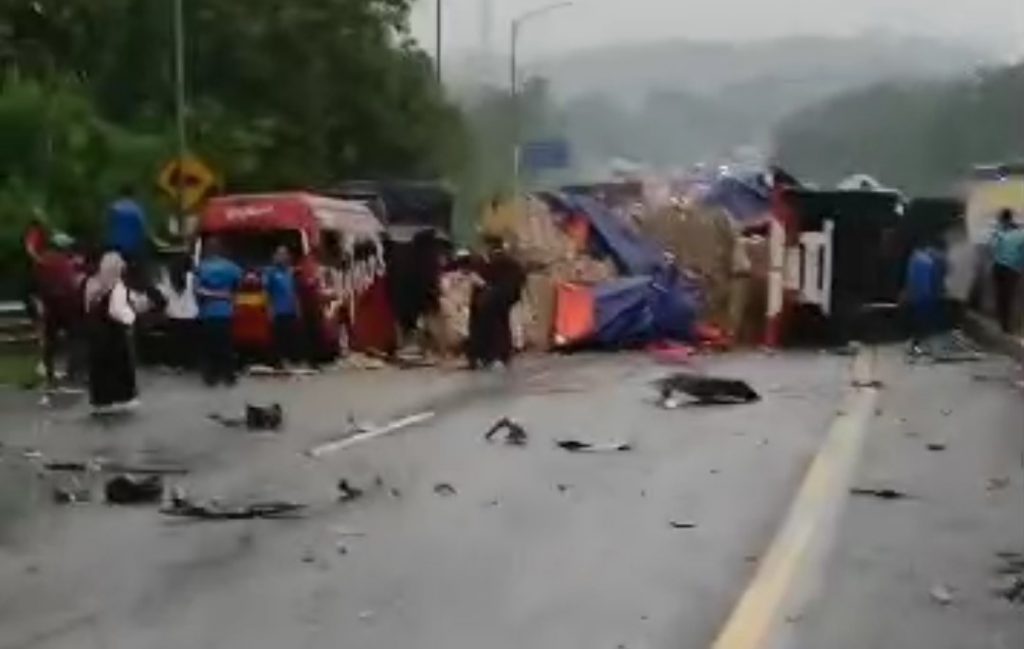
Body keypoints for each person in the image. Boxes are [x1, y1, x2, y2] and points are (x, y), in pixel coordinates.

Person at [83, 252, 139, 413]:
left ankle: (101, 400)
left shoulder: (92, 283)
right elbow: (116, 310)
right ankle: (122, 397)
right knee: (118, 364)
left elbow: (87, 307)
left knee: (99, 365)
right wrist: (131, 318)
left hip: (95, 330)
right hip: (113, 330)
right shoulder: (117, 286)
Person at [33, 233, 86, 388]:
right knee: (77, 337)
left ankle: (50, 375)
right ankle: (75, 372)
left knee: (51, 342)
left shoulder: (42, 260)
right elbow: (73, 282)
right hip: (68, 305)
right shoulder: (67, 262)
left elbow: (38, 282)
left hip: (50, 305)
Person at [467, 238, 525, 369]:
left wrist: (483, 286)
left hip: (489, 304)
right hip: (500, 303)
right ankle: (499, 356)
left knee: (491, 329)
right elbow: (517, 282)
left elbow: (486, 286)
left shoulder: (492, 264)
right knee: (501, 326)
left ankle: (489, 356)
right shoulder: (510, 263)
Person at [195, 237, 242, 385]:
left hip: (208, 312)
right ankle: (229, 376)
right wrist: (228, 296)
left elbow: (197, 290)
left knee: (210, 346)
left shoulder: (202, 267)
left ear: (208, 249)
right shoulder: (232, 267)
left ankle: (211, 377)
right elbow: (239, 283)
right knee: (226, 344)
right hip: (226, 311)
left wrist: (212, 294)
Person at [156, 255, 199, 370]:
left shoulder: (168, 277)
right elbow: (197, 292)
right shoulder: (193, 277)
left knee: (174, 342)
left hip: (173, 313)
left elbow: (162, 293)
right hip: (191, 313)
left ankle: (174, 364)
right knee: (189, 341)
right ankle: (189, 364)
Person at [263, 246, 301, 368]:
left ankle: (291, 359)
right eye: (279, 254)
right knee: (278, 337)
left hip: (290, 310)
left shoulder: (291, 272)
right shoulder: (271, 273)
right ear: (275, 257)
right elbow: (267, 293)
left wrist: (297, 308)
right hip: (278, 310)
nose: (282, 257)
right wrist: (269, 309)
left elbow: (294, 292)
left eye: (284, 254)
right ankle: (277, 361)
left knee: (291, 336)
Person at [904, 239, 944, 354]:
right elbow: (935, 279)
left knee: (920, 322)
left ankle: (917, 345)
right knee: (925, 322)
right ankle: (921, 345)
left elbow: (911, 279)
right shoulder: (930, 260)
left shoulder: (915, 259)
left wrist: (910, 292)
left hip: (920, 296)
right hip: (927, 296)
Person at [989, 209, 1024, 333]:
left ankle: (1003, 323)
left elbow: (992, 248)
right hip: (1013, 269)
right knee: (1010, 297)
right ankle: (1008, 326)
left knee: (1001, 296)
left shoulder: (999, 232)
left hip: (998, 267)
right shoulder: (1021, 233)